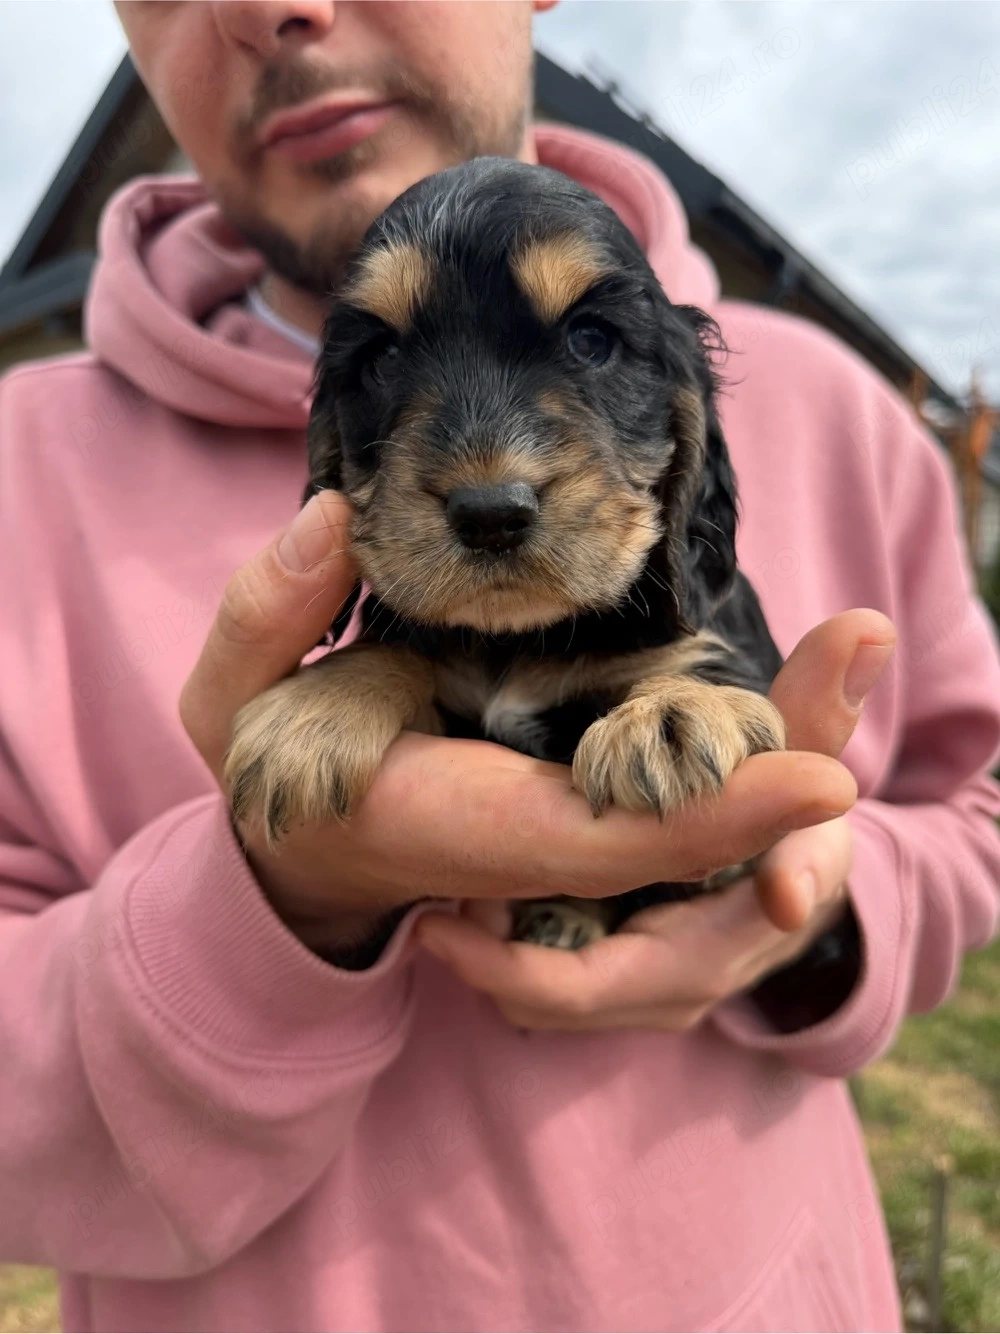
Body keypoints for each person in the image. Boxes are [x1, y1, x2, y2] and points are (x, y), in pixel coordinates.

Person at [1, 3, 998, 1330]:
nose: (489, 475)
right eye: (389, 360)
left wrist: (814, 911)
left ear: (689, 420)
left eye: (587, 343)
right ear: (332, 460)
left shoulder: (842, 412)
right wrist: (271, 896)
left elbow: (972, 815)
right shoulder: (19, 471)